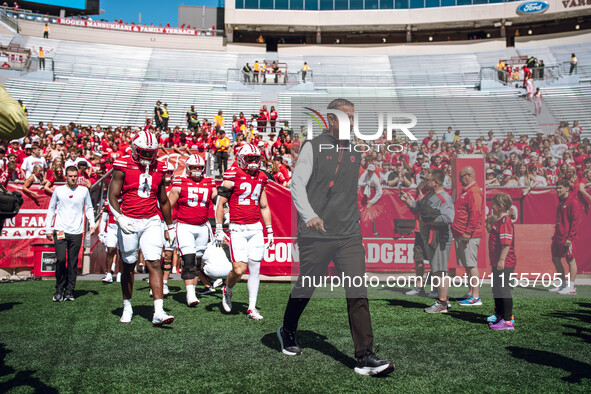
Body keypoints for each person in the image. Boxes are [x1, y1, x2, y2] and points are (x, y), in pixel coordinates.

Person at [278, 98, 393, 376]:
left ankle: (365, 356)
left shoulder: (355, 151)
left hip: (349, 235)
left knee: (358, 293)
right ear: (331, 120)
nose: (352, 123)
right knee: (306, 286)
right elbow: (297, 186)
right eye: (346, 118)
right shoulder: (312, 147)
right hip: (316, 234)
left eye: (354, 118)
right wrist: (309, 216)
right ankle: (288, 329)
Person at [108, 130, 176, 326]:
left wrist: (170, 225)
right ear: (135, 149)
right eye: (143, 152)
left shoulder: (160, 167)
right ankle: (127, 306)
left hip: (151, 220)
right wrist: (119, 217)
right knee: (128, 264)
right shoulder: (122, 164)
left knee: (154, 262)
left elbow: (163, 200)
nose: (147, 157)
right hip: (129, 219)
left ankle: (159, 311)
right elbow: (112, 195)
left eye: (150, 152)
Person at [215, 143, 273, 320]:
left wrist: (269, 230)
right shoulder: (233, 174)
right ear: (241, 159)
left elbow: (263, 205)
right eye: (251, 159)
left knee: (255, 268)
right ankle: (228, 289)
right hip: (237, 227)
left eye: (257, 159)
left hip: (255, 227)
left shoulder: (261, 176)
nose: (255, 162)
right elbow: (220, 204)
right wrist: (218, 228)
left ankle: (252, 307)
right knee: (239, 270)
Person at [401, 169, 454, 313]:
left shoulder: (444, 198)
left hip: (439, 238)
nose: (425, 182)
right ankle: (443, 301)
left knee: (440, 271)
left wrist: (429, 221)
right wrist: (407, 201)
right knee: (436, 270)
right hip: (431, 238)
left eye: (428, 180)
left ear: (436, 183)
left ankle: (442, 303)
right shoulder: (429, 195)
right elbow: (417, 207)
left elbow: (449, 218)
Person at [169, 154, 217, 307]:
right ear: (188, 168)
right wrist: (167, 226)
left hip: (202, 226)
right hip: (185, 226)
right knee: (188, 260)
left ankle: (193, 290)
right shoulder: (179, 182)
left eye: (199, 168)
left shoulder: (209, 182)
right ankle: (190, 294)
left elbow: (218, 200)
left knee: (196, 262)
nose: (197, 170)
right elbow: (168, 206)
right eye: (194, 167)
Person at [45, 166, 95, 302]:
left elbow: (89, 207)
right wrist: (48, 229)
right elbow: (51, 209)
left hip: (77, 231)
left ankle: (69, 291)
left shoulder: (84, 191)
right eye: (70, 176)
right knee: (61, 259)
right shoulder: (58, 190)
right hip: (60, 229)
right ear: (65, 177)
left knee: (73, 262)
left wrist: (92, 222)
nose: (73, 178)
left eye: (75, 176)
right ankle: (59, 289)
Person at [451, 166, 484, 306]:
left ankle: (475, 296)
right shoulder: (468, 192)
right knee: (467, 265)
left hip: (468, 235)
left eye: (461, 177)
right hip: (462, 233)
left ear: (469, 176)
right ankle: (470, 293)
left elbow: (475, 213)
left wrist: (468, 231)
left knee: (471, 265)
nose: (459, 180)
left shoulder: (474, 192)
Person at [486, 193, 517, 330]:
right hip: (497, 262)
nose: (491, 207)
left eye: (493, 204)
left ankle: (507, 320)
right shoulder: (499, 221)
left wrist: (501, 260)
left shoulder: (505, 222)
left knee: (504, 290)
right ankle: (500, 315)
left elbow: (506, 243)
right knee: (497, 289)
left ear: (500, 207)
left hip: (505, 262)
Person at [549, 179, 580, 295]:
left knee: (570, 260)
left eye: (560, 188)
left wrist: (570, 237)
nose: (558, 190)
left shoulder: (572, 201)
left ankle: (571, 287)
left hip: (567, 237)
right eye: (557, 188)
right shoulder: (561, 201)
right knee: (555, 259)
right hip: (558, 236)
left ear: (567, 188)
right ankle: (563, 285)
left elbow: (575, 221)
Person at [97, 199, 120, 284]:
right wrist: (101, 233)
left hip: (123, 228)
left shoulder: (127, 198)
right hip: (112, 228)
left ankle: (120, 273)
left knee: (122, 252)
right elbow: (103, 219)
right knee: (110, 250)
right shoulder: (109, 201)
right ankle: (109, 274)